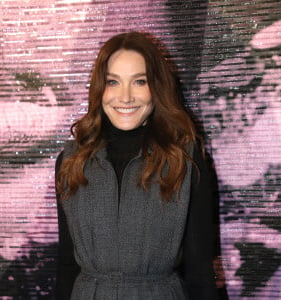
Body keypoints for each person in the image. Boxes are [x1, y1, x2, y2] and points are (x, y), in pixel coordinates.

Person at [55, 31, 219, 300]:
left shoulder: (185, 160)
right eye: (113, 82)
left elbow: (200, 270)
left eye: (139, 81)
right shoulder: (71, 160)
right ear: (99, 88)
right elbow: (66, 264)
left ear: (156, 87)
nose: (126, 97)